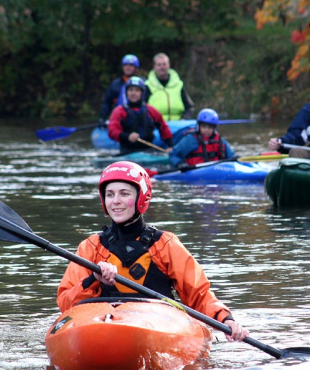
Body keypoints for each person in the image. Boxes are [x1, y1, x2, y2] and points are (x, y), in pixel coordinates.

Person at [57, 161, 249, 342]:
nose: (116, 201)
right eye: (110, 194)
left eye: (124, 193)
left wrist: (226, 319)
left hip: (157, 323)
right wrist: (93, 279)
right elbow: (66, 304)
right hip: (102, 325)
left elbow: (198, 294)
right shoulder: (91, 247)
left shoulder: (165, 244)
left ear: (142, 197)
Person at [108, 76, 174, 155]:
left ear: (141, 93)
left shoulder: (151, 110)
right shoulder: (119, 111)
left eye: (137, 90)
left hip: (148, 151)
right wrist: (127, 136)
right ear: (126, 92)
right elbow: (112, 131)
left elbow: (163, 127)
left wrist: (170, 145)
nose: (133, 93)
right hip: (127, 151)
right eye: (131, 90)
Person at [167, 108, 236, 168]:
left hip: (216, 169)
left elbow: (231, 156)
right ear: (198, 126)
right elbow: (173, 154)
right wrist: (180, 164)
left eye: (210, 127)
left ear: (214, 128)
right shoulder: (191, 140)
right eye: (204, 126)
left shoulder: (220, 140)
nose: (207, 130)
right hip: (195, 172)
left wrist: (236, 158)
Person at [145, 53, 194, 121]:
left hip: (178, 127)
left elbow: (189, 107)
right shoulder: (147, 86)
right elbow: (142, 108)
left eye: (164, 64)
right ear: (154, 67)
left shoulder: (179, 85)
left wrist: (184, 119)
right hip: (156, 127)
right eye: (159, 65)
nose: (162, 67)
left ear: (169, 65)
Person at [99, 54, 141, 122]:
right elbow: (107, 102)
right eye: (125, 65)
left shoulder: (143, 83)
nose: (128, 67)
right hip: (119, 118)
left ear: (136, 68)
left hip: (138, 117)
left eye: (131, 65)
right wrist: (102, 117)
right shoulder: (115, 84)